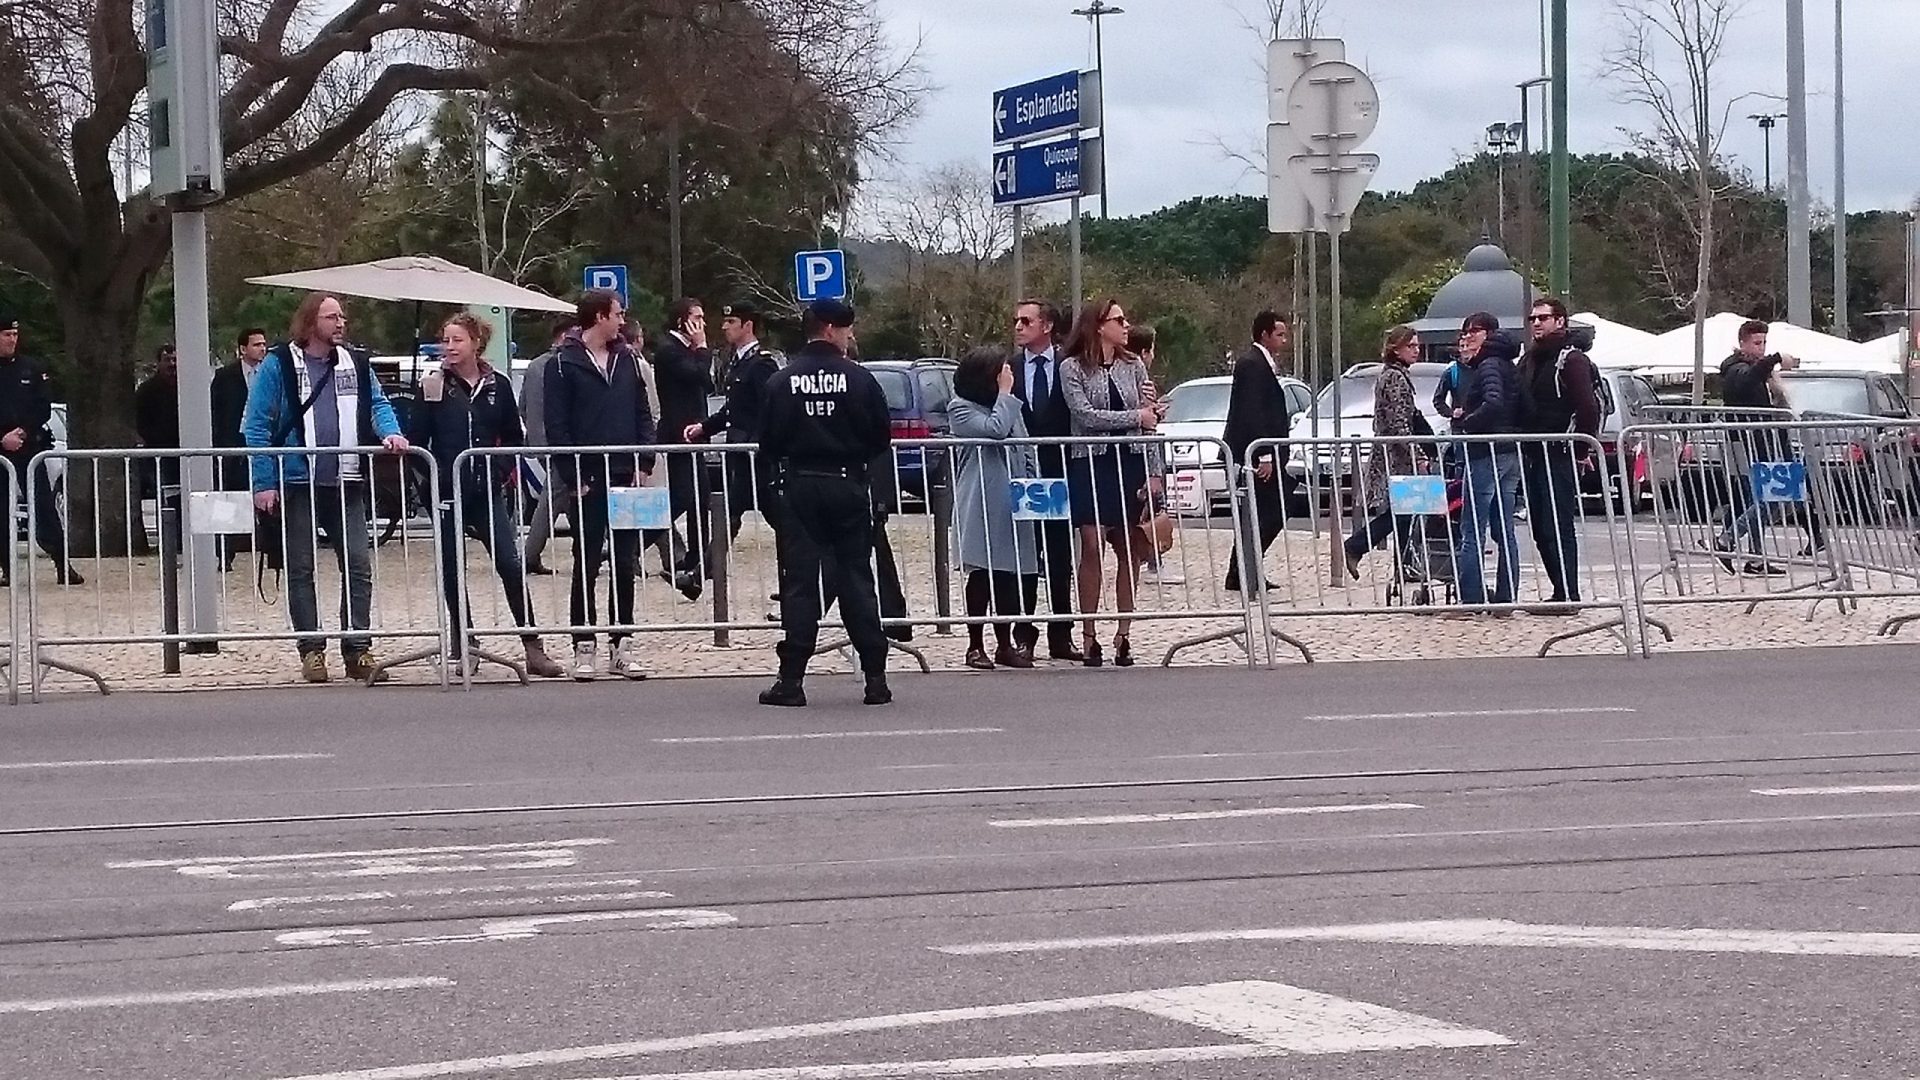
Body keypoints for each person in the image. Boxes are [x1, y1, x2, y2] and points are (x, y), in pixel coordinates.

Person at [241, 293, 409, 683]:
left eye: (342, 317)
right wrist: (264, 482)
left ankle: (357, 647)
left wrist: (392, 432)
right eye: (332, 316)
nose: (340, 323)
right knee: (301, 566)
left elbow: (378, 404)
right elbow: (257, 425)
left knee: (358, 563)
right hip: (299, 480)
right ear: (310, 321)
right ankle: (312, 649)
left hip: (345, 478)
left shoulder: (355, 362)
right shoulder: (280, 363)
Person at [409, 314, 563, 679]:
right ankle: (464, 640)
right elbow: (417, 439)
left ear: (476, 342)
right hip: (446, 491)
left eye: (457, 339)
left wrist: (500, 470)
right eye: (445, 340)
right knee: (451, 569)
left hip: (486, 490)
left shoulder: (499, 385)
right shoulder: (433, 385)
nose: (449, 347)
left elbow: (513, 435)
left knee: (510, 563)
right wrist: (427, 482)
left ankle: (532, 644)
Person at [755, 299, 893, 708]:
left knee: (800, 584)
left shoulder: (781, 382)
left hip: (799, 485)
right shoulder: (861, 380)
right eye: (846, 328)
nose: (850, 335)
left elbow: (769, 441)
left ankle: (792, 679)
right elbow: (879, 439)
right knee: (856, 579)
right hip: (849, 484)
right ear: (830, 329)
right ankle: (875, 678)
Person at [544, 289, 657, 682]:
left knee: (624, 560)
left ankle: (623, 643)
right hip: (587, 476)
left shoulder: (628, 360)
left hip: (624, 472)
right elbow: (557, 426)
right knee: (587, 560)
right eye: (617, 314)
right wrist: (571, 476)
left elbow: (643, 413)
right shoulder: (564, 363)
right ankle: (583, 643)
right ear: (598, 317)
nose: (622, 321)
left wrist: (645, 459)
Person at [1061, 298, 1161, 668]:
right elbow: (1085, 415)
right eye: (1119, 319)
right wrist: (1138, 416)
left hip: (1130, 460)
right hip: (1092, 461)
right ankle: (1088, 633)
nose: (1126, 325)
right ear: (1099, 325)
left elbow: (1149, 423)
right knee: (1091, 544)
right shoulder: (1072, 367)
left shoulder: (1133, 365)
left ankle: (1124, 633)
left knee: (1130, 548)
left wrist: (1154, 471)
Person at [948, 346, 1039, 671]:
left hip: (1012, 496)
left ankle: (1005, 644)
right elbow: (995, 430)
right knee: (982, 573)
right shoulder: (960, 409)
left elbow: (1025, 445)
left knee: (1009, 575)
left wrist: (1032, 484)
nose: (1008, 376)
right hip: (981, 497)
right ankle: (975, 645)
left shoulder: (1010, 406)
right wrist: (1005, 394)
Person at [1008, 299, 1083, 662]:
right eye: (1016, 321)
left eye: (1027, 321)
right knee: (1025, 555)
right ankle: (1024, 633)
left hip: (1059, 471)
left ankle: (1061, 632)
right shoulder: (1010, 368)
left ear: (1048, 326)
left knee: (1058, 556)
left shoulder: (1069, 365)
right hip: (1023, 474)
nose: (1019, 327)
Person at [1517, 297, 1603, 610]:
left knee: (1558, 524)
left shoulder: (1572, 359)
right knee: (1540, 526)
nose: (1536, 323)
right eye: (1532, 319)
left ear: (1560, 321)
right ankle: (1560, 590)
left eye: (1543, 318)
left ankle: (1569, 593)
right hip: (1533, 450)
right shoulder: (1531, 359)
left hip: (1559, 451)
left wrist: (1581, 448)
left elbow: (1587, 407)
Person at [1716, 320, 1813, 573]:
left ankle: (1756, 558)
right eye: (1756, 343)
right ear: (1743, 343)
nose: (1761, 348)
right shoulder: (1736, 369)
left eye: (1764, 343)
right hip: (1755, 442)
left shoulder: (1753, 370)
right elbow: (1748, 380)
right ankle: (1726, 540)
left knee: (1765, 498)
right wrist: (1775, 358)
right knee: (1772, 499)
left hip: (1768, 442)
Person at [1447, 311, 1524, 613]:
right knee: (1504, 528)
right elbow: (1522, 405)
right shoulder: (1508, 364)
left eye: (1473, 331)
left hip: (1486, 450)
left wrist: (1468, 422)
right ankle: (1506, 597)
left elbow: (1492, 403)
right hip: (1509, 449)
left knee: (1472, 528)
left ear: (1489, 334)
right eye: (1464, 331)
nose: (1466, 336)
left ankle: (1472, 599)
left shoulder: (1489, 365)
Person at [686, 301, 782, 539]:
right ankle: (704, 571)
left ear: (747, 326)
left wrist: (756, 444)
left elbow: (768, 408)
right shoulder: (738, 362)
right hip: (739, 455)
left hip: (754, 456)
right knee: (731, 514)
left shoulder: (761, 363)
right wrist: (705, 428)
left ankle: (802, 563)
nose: (725, 327)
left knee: (774, 516)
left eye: (731, 322)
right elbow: (733, 409)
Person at [0, 315, 80, 586]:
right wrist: (3, 439)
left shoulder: (30, 369)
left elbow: (42, 407)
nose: (12, 339)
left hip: (28, 448)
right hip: (0, 450)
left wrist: (22, 432)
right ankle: (7, 569)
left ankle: (62, 564)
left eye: (14, 334)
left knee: (44, 508)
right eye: (5, 335)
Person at [1345, 326, 1429, 578]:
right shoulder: (1393, 378)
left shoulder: (1397, 375)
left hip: (1397, 455)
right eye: (1410, 346)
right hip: (1397, 458)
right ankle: (1357, 545)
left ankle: (1405, 564)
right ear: (1396, 349)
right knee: (1401, 513)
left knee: (1411, 510)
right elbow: (1398, 425)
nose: (1416, 351)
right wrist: (1419, 455)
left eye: (1417, 346)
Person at [1221, 311, 1293, 594]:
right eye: (1279, 335)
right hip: (1258, 454)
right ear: (1264, 334)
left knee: (1263, 512)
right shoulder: (1251, 364)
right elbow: (1252, 411)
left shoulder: (1261, 363)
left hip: (1267, 451)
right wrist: (1263, 455)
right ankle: (1242, 571)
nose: (1284, 341)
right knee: (1267, 511)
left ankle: (1243, 570)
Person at [652, 298, 713, 595]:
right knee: (682, 497)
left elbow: (709, 383)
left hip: (697, 434)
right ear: (681, 321)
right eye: (696, 318)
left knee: (701, 502)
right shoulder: (668, 351)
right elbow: (697, 374)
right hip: (679, 434)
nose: (702, 324)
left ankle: (696, 564)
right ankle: (633, 541)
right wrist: (702, 347)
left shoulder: (689, 351)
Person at [1127, 322, 1184, 586]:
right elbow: (1143, 419)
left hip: (1147, 451)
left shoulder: (1141, 379)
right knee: (1148, 510)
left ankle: (1151, 560)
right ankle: (1149, 560)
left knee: (1149, 510)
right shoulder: (1136, 378)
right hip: (1141, 452)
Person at [519, 318, 574, 576]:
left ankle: (589, 547)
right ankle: (529, 554)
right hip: (556, 443)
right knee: (554, 496)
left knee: (565, 496)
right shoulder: (558, 365)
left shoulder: (534, 366)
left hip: (540, 441)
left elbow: (523, 406)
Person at [212, 328, 270, 570]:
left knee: (267, 497)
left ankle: (273, 553)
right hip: (233, 445)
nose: (262, 349)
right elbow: (216, 411)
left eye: (264, 344)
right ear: (243, 349)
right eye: (256, 344)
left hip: (263, 444)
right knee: (228, 500)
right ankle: (225, 554)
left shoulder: (270, 374)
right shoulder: (226, 376)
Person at [134, 343, 182, 553]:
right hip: (159, 454)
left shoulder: (188, 388)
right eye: (168, 360)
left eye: (175, 360)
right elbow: (139, 422)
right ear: (159, 363)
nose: (172, 364)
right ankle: (169, 543)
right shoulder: (147, 391)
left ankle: (183, 540)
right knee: (165, 499)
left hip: (184, 450)